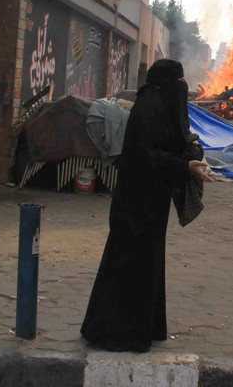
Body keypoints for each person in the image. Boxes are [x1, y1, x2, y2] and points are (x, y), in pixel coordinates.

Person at [81, 59, 214, 352]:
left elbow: (175, 142)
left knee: (147, 264)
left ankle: (144, 327)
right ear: (168, 83)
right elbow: (147, 157)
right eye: (179, 82)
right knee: (130, 265)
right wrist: (184, 166)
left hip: (152, 202)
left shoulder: (160, 105)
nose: (183, 87)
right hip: (136, 203)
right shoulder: (148, 111)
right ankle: (117, 333)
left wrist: (192, 157)